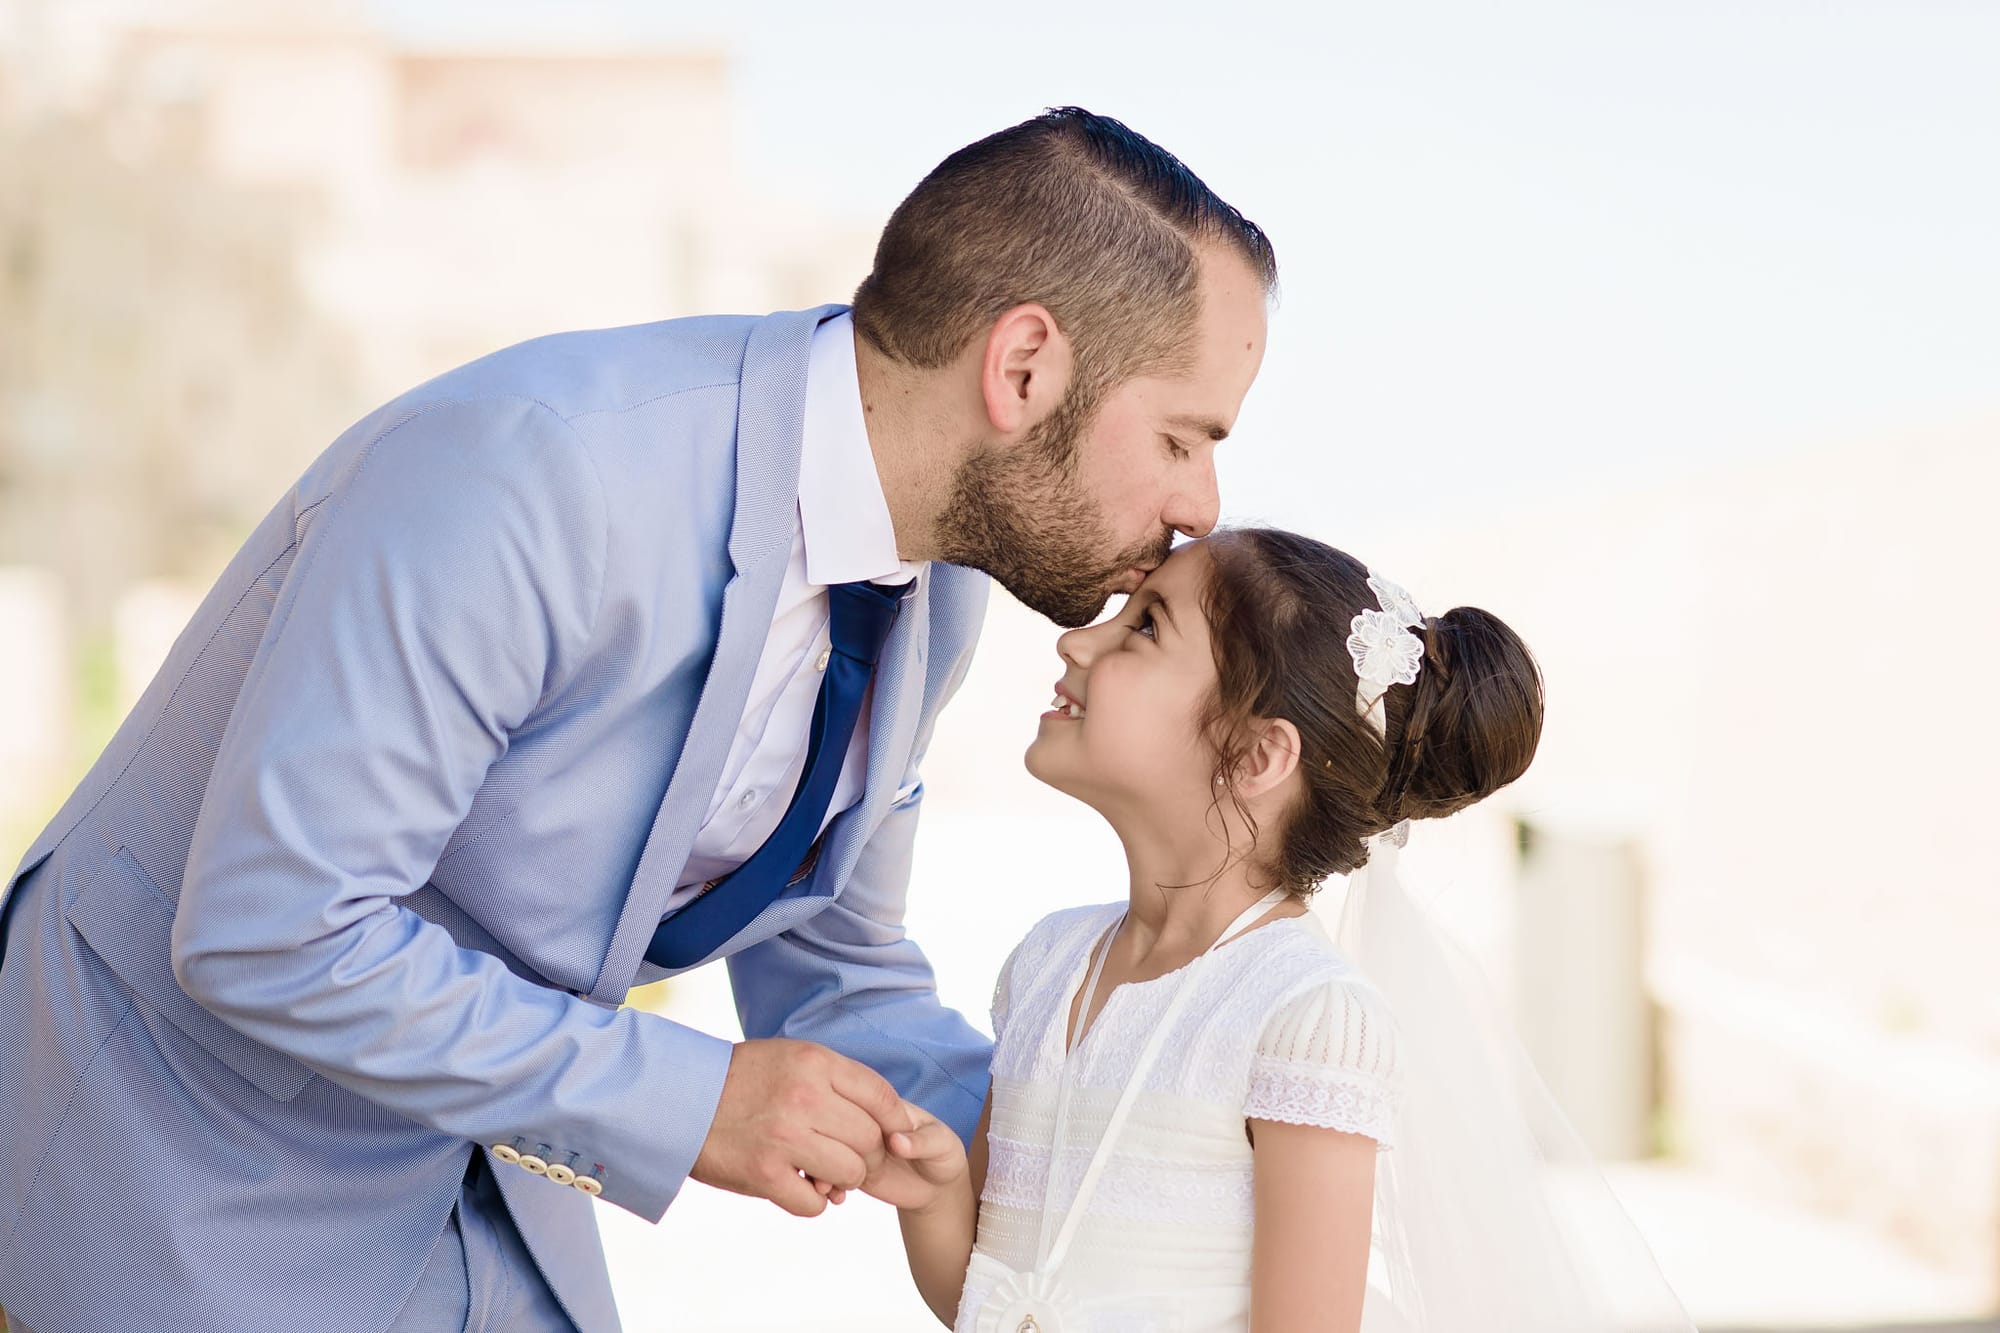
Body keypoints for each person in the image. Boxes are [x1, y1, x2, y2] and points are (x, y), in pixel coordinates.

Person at [0, 108, 1274, 1333]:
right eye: (1181, 435)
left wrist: (1104, 1139)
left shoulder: (937, 592)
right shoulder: (536, 471)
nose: (1200, 504)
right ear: (1022, 367)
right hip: (170, 1168)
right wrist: (690, 1100)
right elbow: (273, 928)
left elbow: (831, 964)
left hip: (469, 1184)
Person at [868, 530, 1692, 1331]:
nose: (1077, 642)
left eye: (1145, 625)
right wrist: (937, 1194)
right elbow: (995, 1303)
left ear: (1256, 754)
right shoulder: (1049, 961)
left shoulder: (1305, 1016)